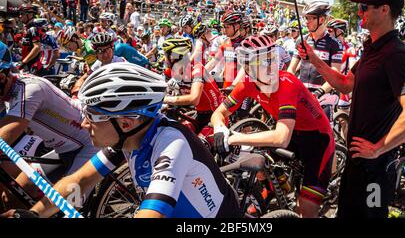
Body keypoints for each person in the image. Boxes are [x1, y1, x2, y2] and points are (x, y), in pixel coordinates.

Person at [11, 62, 239, 218]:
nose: (83, 124)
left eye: (91, 116)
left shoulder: (171, 143)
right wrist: (34, 214)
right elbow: (80, 181)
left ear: (126, 123)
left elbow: (153, 212)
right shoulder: (129, 138)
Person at [297, 0, 405, 218]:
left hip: (375, 168)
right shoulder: (373, 48)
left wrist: (378, 148)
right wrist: (313, 58)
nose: (359, 12)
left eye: (365, 7)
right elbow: (346, 83)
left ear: (385, 10)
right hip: (357, 162)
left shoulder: (395, 53)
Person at [211, 35, 334, 218]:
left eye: (272, 58)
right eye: (262, 61)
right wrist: (220, 129)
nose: (271, 65)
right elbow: (218, 113)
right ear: (248, 67)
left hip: (318, 140)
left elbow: (281, 138)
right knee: (254, 155)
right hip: (294, 134)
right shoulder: (246, 83)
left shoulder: (287, 83)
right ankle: (275, 188)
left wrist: (234, 137)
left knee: (306, 211)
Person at [0, 42, 98, 213]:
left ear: (2, 77)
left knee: (66, 208)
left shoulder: (28, 91)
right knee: (11, 198)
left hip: (88, 144)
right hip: (63, 150)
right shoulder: (10, 91)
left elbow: (5, 135)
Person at [162, 38, 223, 133]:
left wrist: (165, 99)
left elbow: (194, 99)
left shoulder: (197, 69)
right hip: (200, 114)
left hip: (216, 114)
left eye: (165, 55)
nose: (163, 58)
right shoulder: (173, 71)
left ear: (174, 57)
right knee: (181, 134)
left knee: (201, 144)